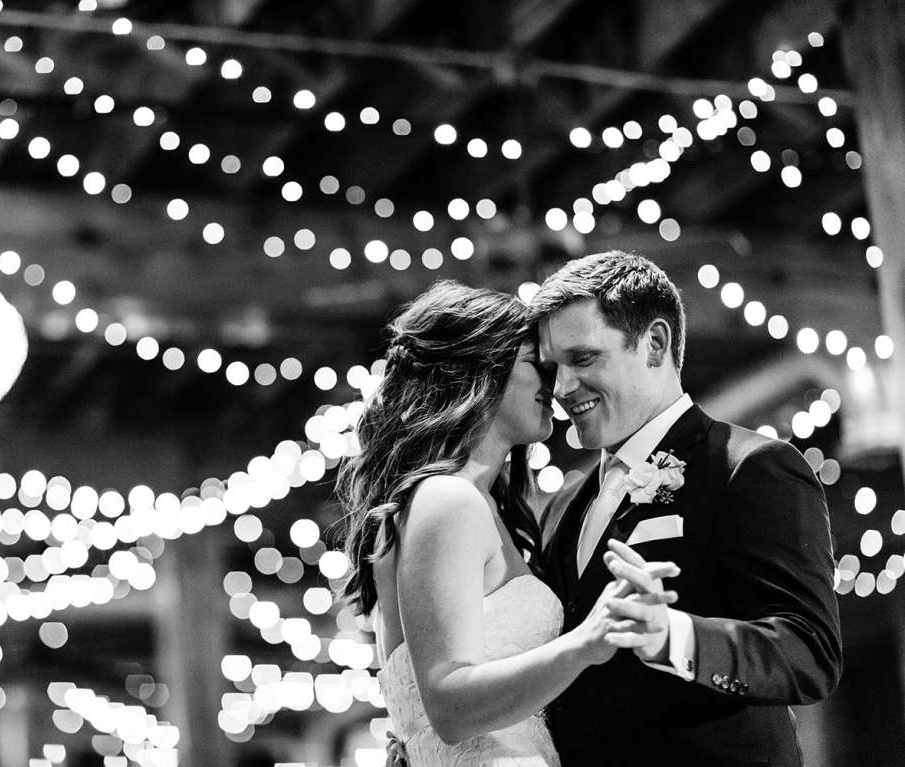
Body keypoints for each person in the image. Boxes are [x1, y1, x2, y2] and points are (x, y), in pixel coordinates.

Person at [336, 279, 677, 767]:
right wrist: (586, 642)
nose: (557, 387)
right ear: (480, 371)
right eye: (538, 365)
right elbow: (450, 707)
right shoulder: (448, 500)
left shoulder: (479, 504)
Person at [527, 251, 843, 767]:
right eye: (552, 368)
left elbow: (809, 651)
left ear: (655, 343)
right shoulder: (563, 504)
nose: (561, 388)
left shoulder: (749, 467)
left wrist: (675, 636)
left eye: (582, 359)